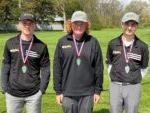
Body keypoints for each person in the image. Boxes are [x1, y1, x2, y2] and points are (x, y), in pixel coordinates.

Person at [53, 11, 103, 113]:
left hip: (87, 94)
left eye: (82, 23)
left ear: (86, 25)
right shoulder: (62, 42)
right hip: (67, 93)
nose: (79, 26)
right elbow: (57, 68)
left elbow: (99, 68)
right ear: (71, 24)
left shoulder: (93, 42)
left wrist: (97, 91)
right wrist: (58, 91)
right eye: (76, 23)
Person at [1, 12, 50, 113]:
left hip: (34, 94)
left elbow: (45, 68)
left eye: (30, 23)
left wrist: (41, 90)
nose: (27, 26)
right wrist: (5, 87)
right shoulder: (10, 43)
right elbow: (6, 65)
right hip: (12, 93)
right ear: (19, 25)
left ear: (34, 25)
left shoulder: (41, 46)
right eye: (24, 23)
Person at [106, 12, 149, 113]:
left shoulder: (143, 46)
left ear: (136, 26)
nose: (129, 28)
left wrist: (133, 79)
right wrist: (114, 80)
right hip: (115, 86)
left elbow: (144, 67)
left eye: (133, 25)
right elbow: (109, 64)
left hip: (133, 87)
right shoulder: (112, 43)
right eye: (127, 24)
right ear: (122, 24)